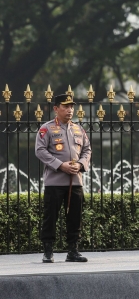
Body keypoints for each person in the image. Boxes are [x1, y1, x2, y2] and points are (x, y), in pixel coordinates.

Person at [35, 94, 92, 263]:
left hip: (75, 181)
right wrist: (61, 165)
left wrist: (80, 165)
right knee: (50, 217)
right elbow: (40, 150)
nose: (69, 110)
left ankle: (73, 251)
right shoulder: (47, 128)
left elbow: (87, 150)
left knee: (75, 217)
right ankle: (48, 251)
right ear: (56, 108)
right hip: (54, 182)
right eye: (65, 106)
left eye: (71, 107)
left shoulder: (78, 129)